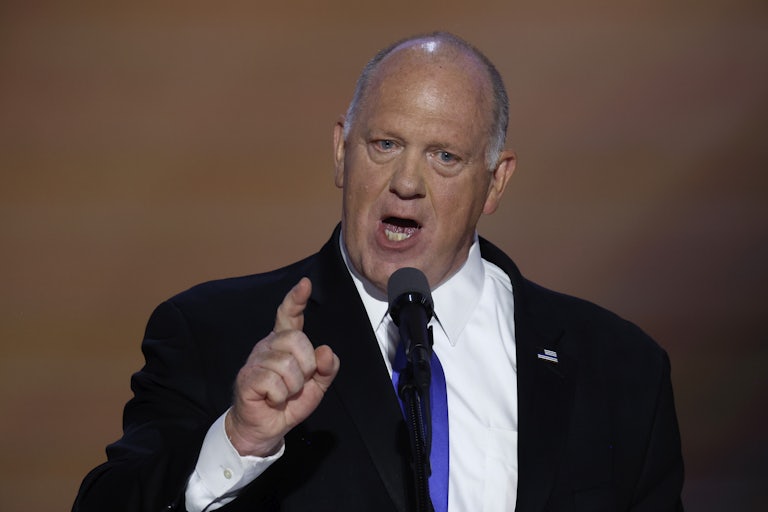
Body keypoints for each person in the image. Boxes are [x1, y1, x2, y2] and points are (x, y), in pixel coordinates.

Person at [73, 32, 684, 511]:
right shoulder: (215, 334)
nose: (407, 183)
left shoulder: (620, 368)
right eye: (385, 145)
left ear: (496, 182)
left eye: (445, 156)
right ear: (342, 152)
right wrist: (237, 441)